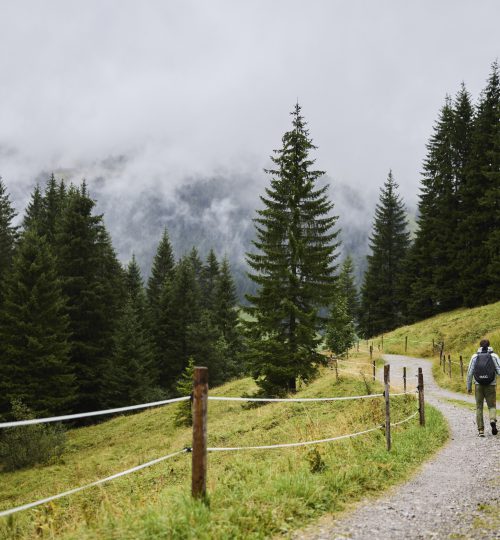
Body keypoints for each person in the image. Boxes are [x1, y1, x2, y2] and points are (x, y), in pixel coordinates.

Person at [466, 339, 500, 437]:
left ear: (480, 346)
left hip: (478, 385)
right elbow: (499, 370)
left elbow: (469, 373)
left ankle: (481, 430)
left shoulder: (474, 356)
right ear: (489, 345)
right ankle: (492, 420)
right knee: (492, 406)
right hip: (491, 385)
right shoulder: (494, 356)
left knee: (479, 407)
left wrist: (469, 387)